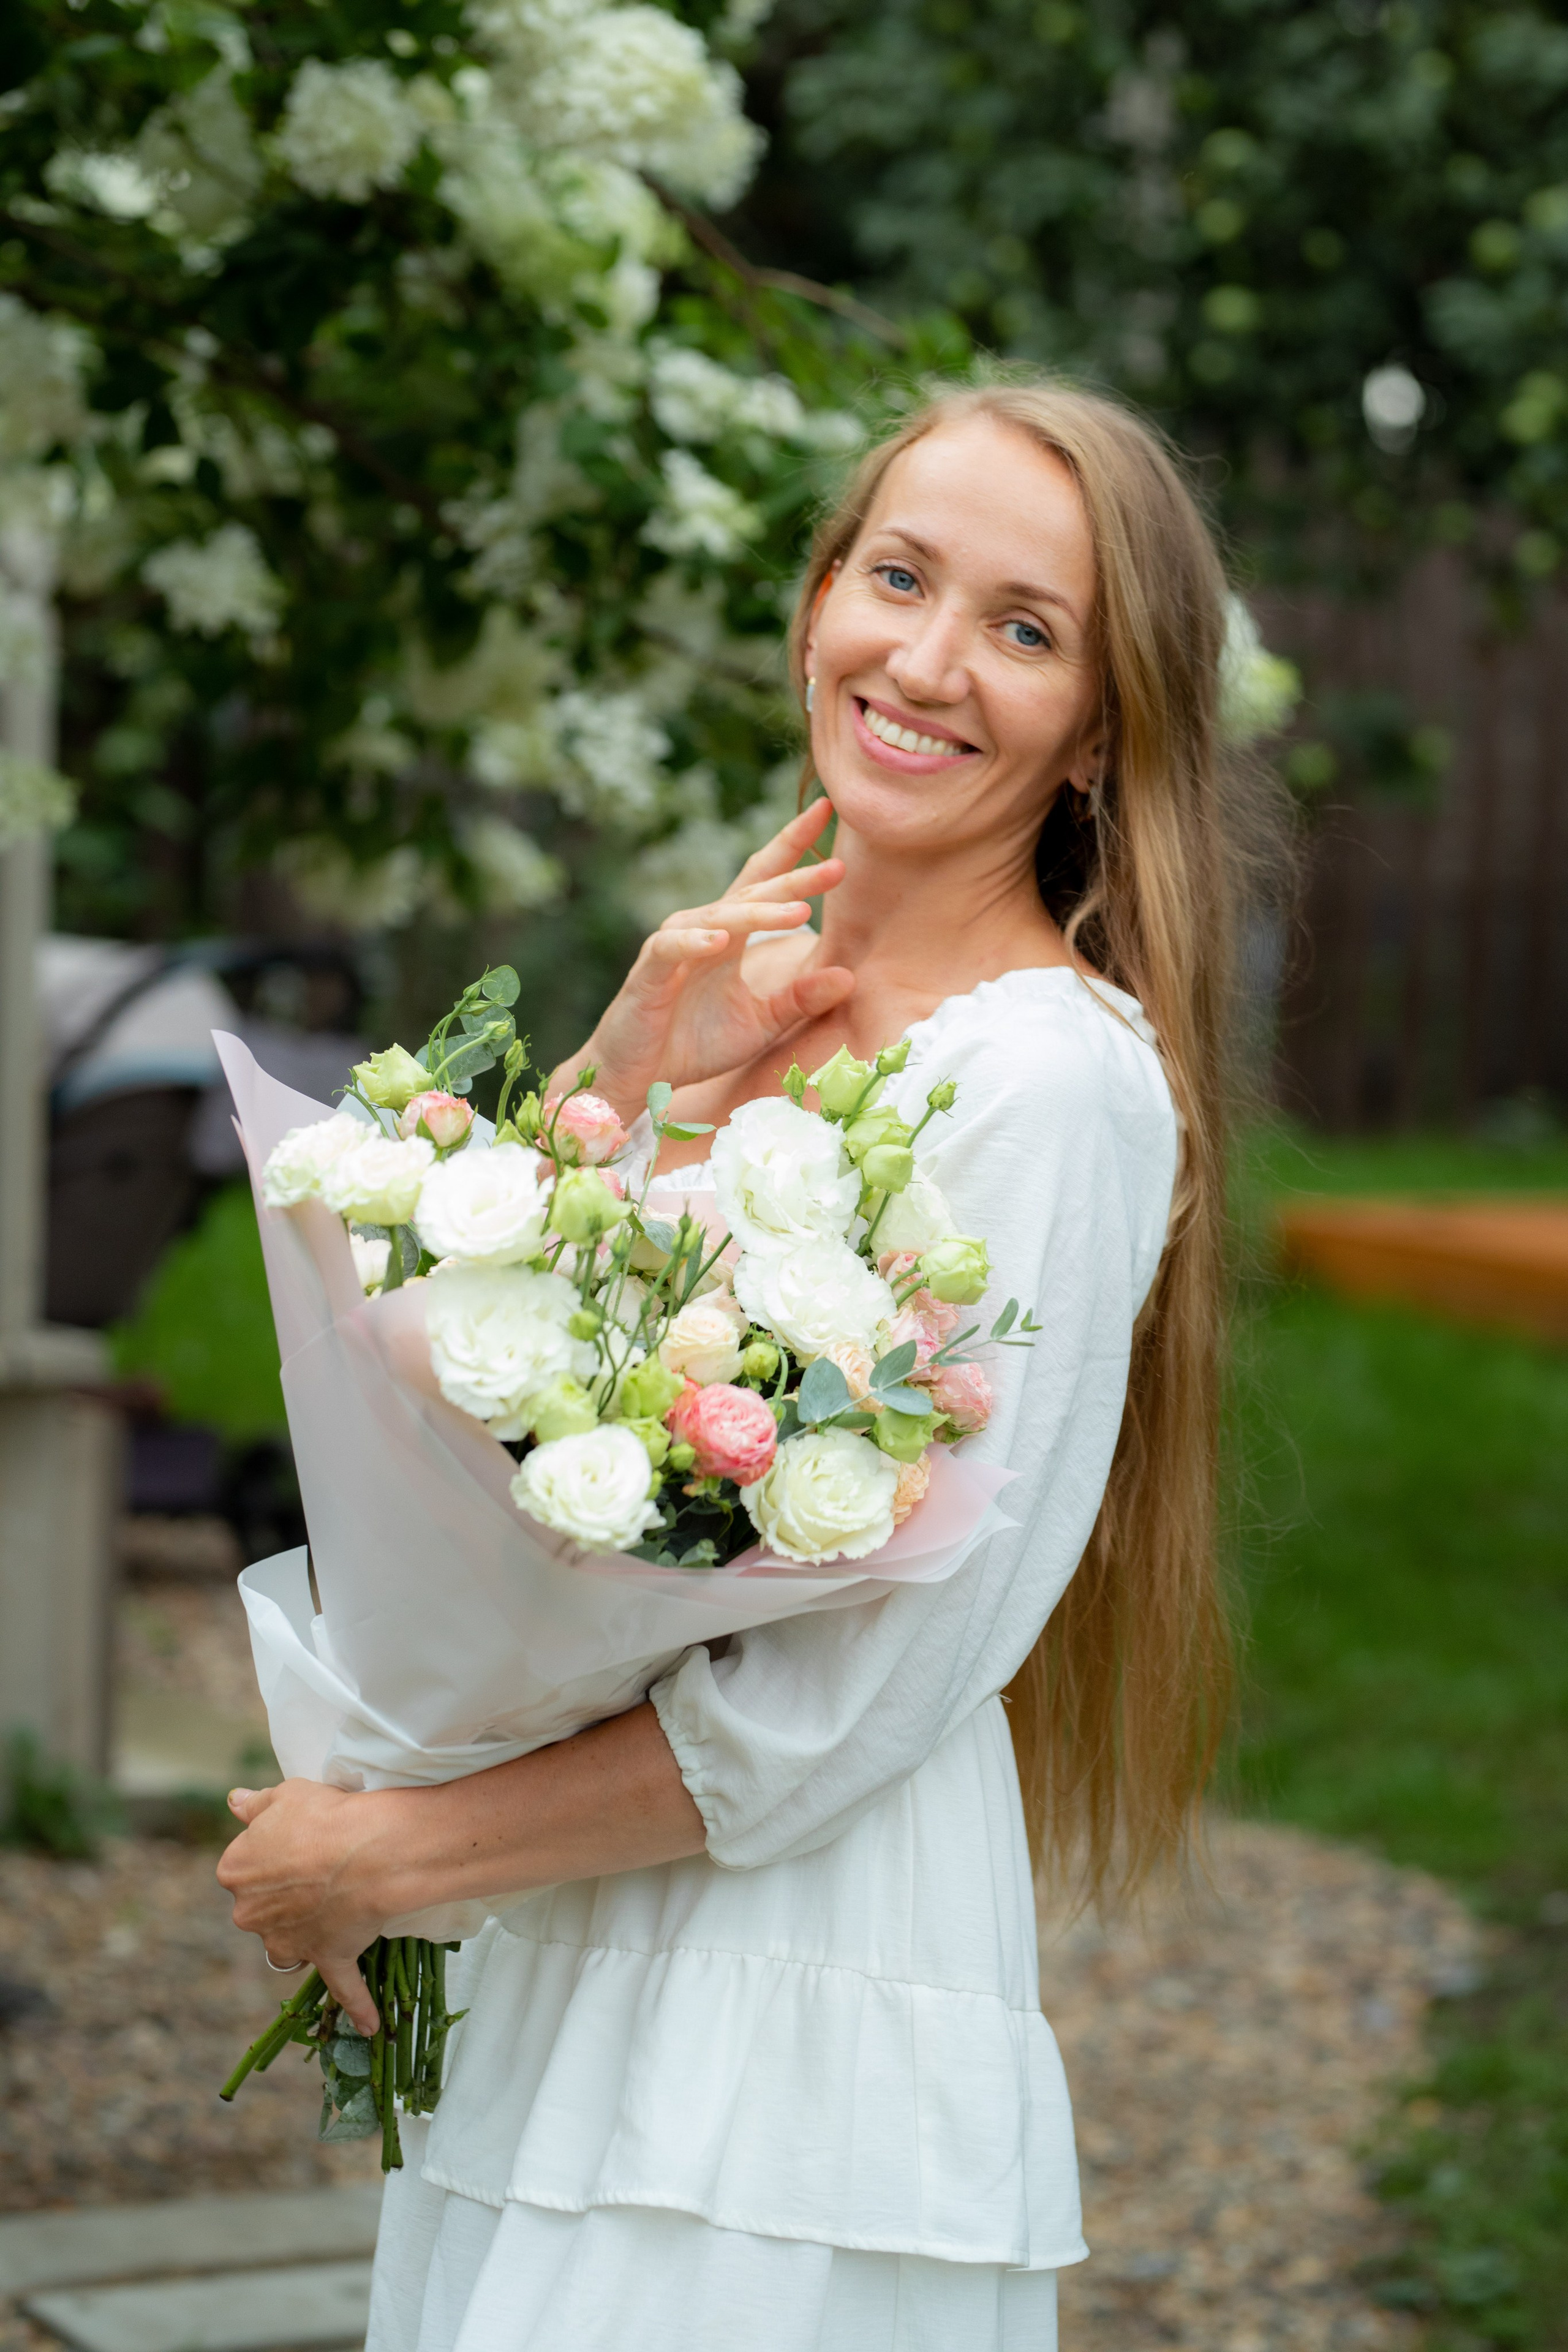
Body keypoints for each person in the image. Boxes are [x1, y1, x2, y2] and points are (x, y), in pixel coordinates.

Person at [218, 377, 1261, 2350]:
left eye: (1025, 628)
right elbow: (488, 1392)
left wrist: (392, 1852)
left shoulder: (1046, 1085)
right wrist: (625, 1074)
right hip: (571, 1945)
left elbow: (889, 1671)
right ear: (817, 604)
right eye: (900, 578)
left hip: (786, 1995)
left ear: (1104, 730)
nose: (927, 663)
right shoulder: (739, 993)